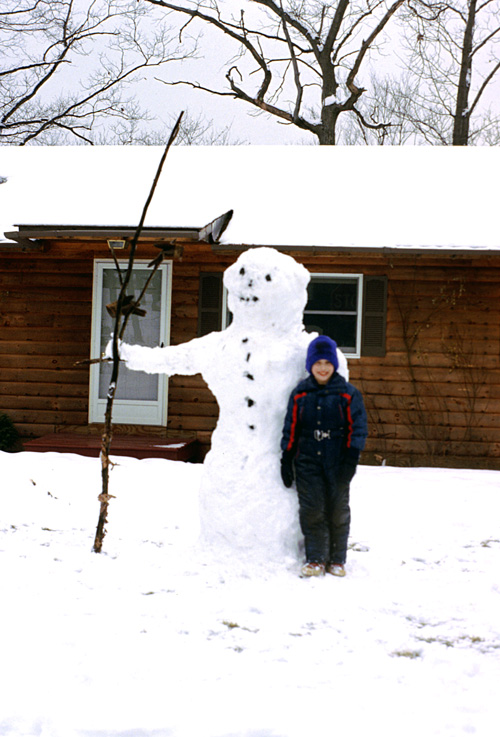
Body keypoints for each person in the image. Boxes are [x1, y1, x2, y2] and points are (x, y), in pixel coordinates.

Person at [280, 335, 368, 578]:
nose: (322, 368)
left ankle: (337, 559)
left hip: (338, 461)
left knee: (338, 510)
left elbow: (358, 429)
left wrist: (350, 459)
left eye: (327, 363)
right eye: (317, 363)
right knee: (313, 510)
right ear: (310, 365)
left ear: (334, 365)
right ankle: (316, 558)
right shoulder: (300, 394)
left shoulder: (348, 394)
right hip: (307, 462)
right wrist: (286, 458)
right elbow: (291, 427)